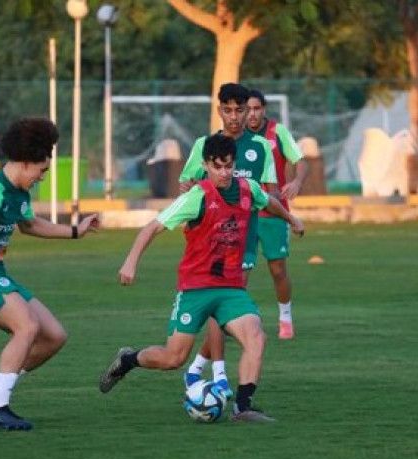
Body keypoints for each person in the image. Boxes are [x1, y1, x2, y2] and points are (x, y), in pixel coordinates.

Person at [98, 133, 304, 422]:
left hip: (231, 289)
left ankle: (242, 407)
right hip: (195, 289)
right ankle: (128, 359)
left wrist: (291, 219)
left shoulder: (248, 189)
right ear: (206, 165)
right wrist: (131, 262)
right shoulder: (197, 197)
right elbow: (151, 229)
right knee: (173, 358)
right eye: (217, 166)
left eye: (229, 166)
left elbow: (269, 201)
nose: (224, 172)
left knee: (256, 337)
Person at [0, 117, 99, 432]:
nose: (42, 178)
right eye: (42, 171)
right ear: (26, 163)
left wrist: (76, 231)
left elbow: (30, 225)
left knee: (54, 336)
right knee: (27, 327)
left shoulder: (19, 194)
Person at [179, 83, 277, 398]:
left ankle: (197, 369)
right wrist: (195, 189)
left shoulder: (261, 147)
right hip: (208, 243)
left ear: (250, 111)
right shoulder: (204, 145)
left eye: (241, 110)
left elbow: (268, 193)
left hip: (244, 242)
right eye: (228, 110)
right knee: (220, 308)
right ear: (219, 110)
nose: (234, 117)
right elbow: (186, 185)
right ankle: (218, 376)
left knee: (227, 312)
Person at [246, 88, 307, 340]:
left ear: (264, 109)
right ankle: (233, 320)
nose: (251, 114)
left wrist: (296, 182)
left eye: (256, 108)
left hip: (273, 212)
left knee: (278, 269)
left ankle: (285, 318)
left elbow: (301, 162)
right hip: (243, 214)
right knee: (238, 271)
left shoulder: (277, 132)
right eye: (246, 109)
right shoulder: (233, 135)